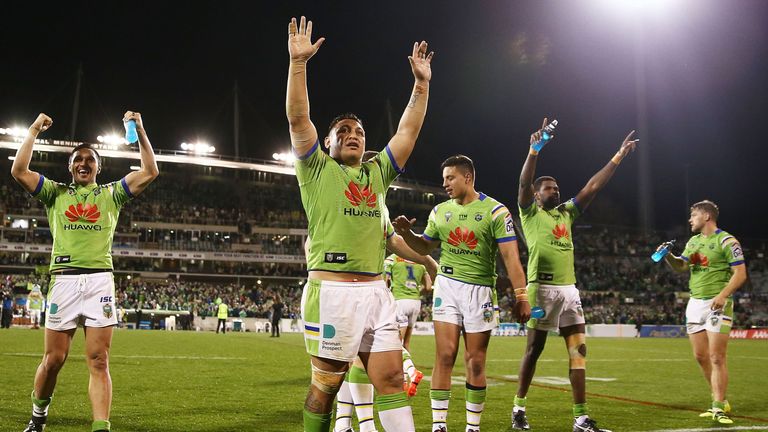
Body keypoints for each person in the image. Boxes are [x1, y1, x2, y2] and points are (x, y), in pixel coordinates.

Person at [286, 14, 433, 432]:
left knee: (389, 380)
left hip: (375, 291)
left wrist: (420, 85)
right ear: (327, 143)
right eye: (344, 130)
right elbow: (298, 118)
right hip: (331, 293)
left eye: (360, 131)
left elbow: (407, 131)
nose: (354, 134)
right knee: (327, 386)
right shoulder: (315, 170)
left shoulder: (377, 174)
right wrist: (299, 64)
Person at [11, 111, 158, 432]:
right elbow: (19, 170)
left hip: (99, 282)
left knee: (99, 360)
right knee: (53, 361)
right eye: (78, 159)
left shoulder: (111, 194)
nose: (83, 163)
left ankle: (100, 427)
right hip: (63, 281)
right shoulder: (54, 193)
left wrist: (141, 131)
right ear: (70, 166)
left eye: (90, 160)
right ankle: (38, 418)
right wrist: (34, 130)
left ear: (98, 167)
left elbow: (150, 170)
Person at [510, 118, 637, 432]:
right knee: (534, 350)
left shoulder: (566, 212)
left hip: (569, 291)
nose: (556, 191)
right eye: (549, 188)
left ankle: (580, 418)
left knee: (579, 351)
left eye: (556, 187)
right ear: (538, 195)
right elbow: (524, 185)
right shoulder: (529, 211)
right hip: (541, 290)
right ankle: (519, 407)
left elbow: (592, 186)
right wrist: (533, 152)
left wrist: (617, 157)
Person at [393, 154, 529, 432]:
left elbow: (511, 258)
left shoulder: (495, 212)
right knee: (444, 355)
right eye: (443, 179)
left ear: (468, 177)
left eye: (450, 178)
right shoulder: (439, 211)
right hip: (447, 286)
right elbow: (423, 248)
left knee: (475, 361)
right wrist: (407, 234)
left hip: (480, 291)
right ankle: (439, 425)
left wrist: (522, 295)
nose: (445, 184)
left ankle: (472, 427)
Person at [657, 200, 747, 425]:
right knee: (700, 356)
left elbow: (740, 273)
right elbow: (682, 266)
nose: (690, 220)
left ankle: (718, 406)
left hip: (718, 303)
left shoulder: (726, 240)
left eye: (693, 215)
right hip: (695, 303)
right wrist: (668, 255)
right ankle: (718, 398)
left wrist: (723, 295)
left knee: (717, 356)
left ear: (706, 216)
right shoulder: (693, 242)